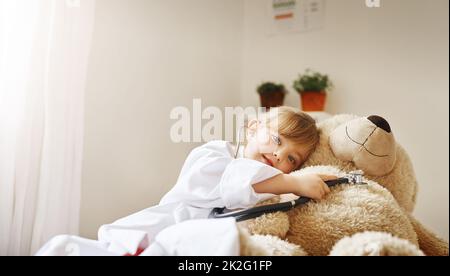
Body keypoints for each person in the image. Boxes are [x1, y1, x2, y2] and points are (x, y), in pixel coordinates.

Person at [36, 107, 336, 256]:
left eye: (292, 159)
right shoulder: (215, 154)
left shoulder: (272, 186)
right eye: (276, 139)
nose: (280, 155)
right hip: (154, 232)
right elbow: (238, 181)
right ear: (253, 128)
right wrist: (296, 182)